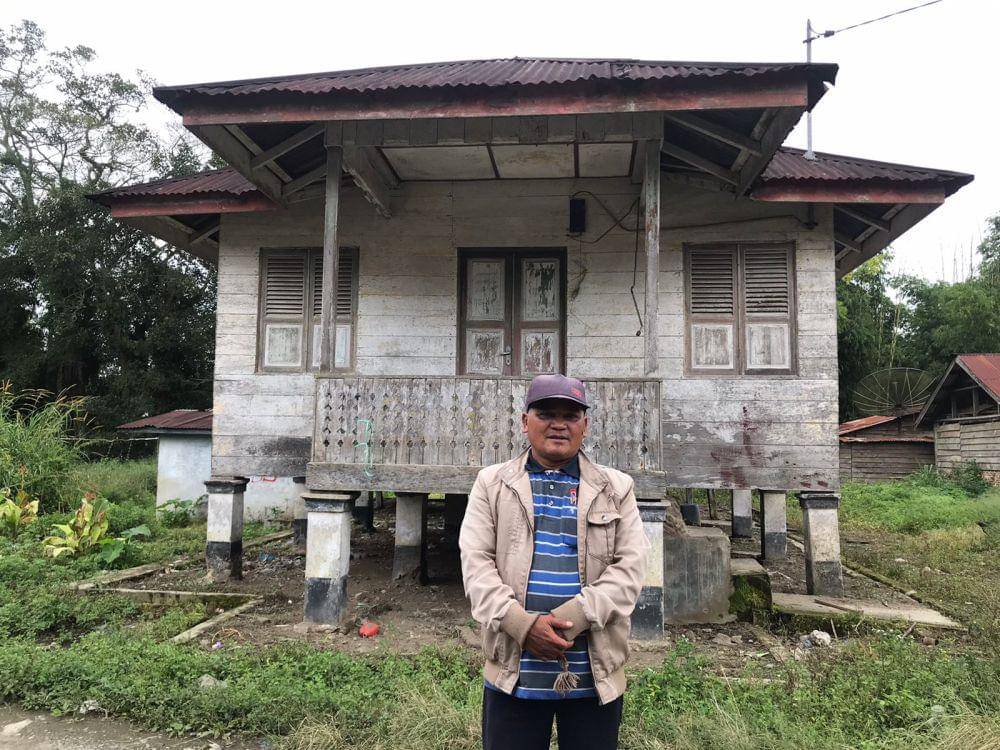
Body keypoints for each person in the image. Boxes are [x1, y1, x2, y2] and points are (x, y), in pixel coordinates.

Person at [460, 373, 647, 750]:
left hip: (593, 678)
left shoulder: (616, 488)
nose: (559, 424)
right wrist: (523, 626)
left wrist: (574, 618)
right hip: (514, 675)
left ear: (585, 425)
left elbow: (631, 569)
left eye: (571, 415)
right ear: (524, 421)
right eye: (546, 413)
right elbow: (476, 565)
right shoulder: (492, 484)